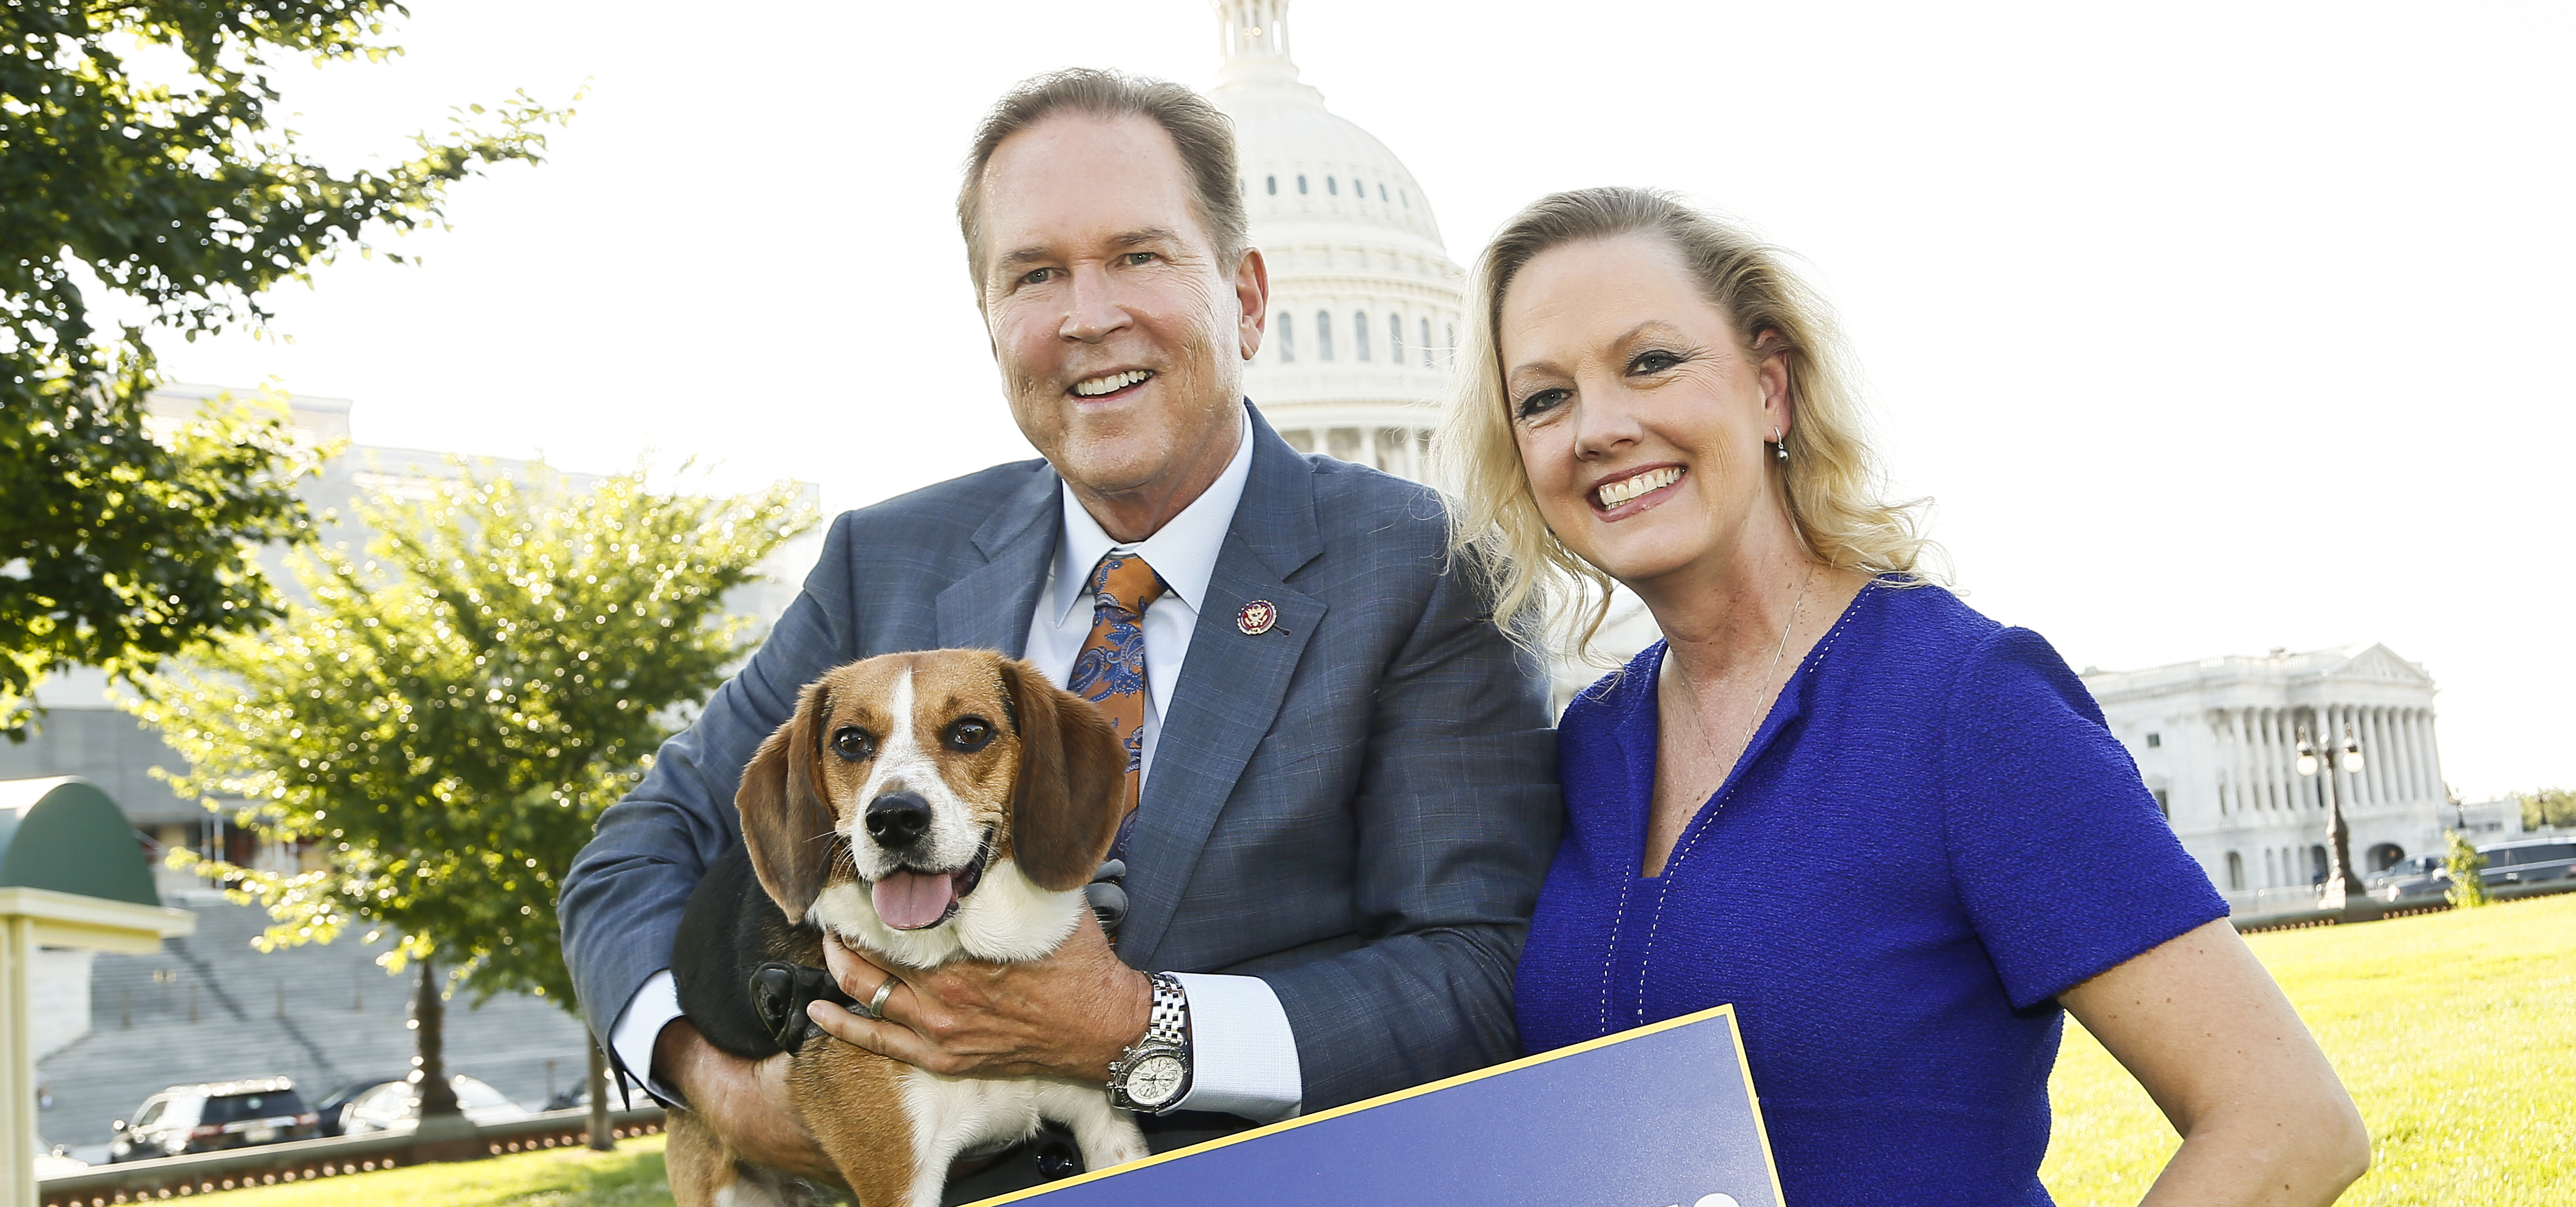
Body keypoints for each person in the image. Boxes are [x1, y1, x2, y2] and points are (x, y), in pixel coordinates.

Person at [559, 69, 1561, 1197]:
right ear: (990, 322)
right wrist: (715, 1078)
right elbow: (633, 856)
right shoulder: (879, 565)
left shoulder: (1422, 571)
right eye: (1036, 273)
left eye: (1139, 255)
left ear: (1245, 296)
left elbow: (1484, 976)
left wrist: (1137, 1023)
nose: (1089, 315)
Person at [1436, 187, 2369, 1205]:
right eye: (1544, 399)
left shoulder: (1965, 704)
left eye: (1650, 362)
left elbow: (2289, 1122)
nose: (1600, 427)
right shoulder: (1591, 743)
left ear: (1770, 389)